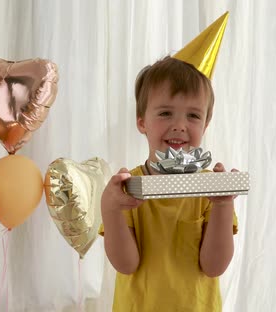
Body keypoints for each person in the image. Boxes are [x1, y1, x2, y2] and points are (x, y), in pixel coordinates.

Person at [99, 12, 239, 311]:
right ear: (141, 122)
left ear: (206, 124)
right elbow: (126, 264)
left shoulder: (210, 189)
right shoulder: (128, 189)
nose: (179, 125)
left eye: (193, 115)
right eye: (165, 113)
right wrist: (110, 209)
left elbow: (213, 267)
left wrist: (224, 204)